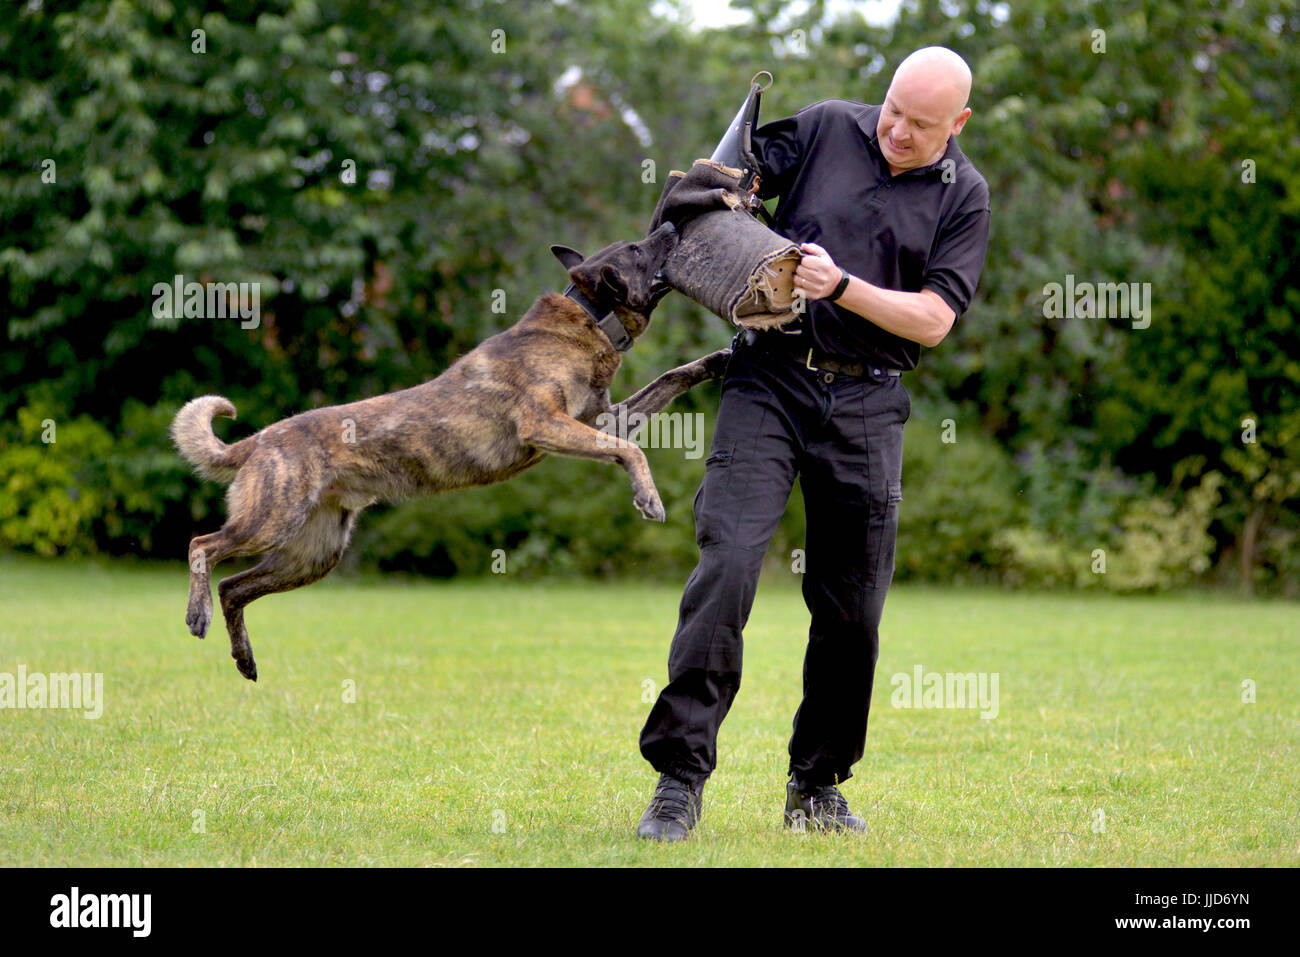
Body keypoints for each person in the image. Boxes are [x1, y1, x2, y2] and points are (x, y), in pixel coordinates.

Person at [636, 46, 992, 840]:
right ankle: (677, 779)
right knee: (726, 563)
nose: (896, 130)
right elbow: (730, 176)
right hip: (769, 377)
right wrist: (721, 196)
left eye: (920, 124)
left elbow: (934, 319)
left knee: (853, 607)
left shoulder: (964, 195)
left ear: (957, 124)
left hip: (869, 397)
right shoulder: (833, 125)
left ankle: (817, 784)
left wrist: (842, 287)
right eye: (894, 109)